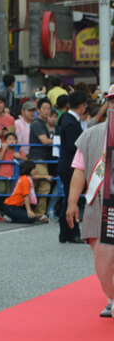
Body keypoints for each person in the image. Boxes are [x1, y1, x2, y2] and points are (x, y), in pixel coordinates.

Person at [65, 84, 114, 317]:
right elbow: (78, 170)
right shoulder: (91, 135)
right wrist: (72, 202)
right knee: (102, 259)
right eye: (112, 101)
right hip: (99, 205)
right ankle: (111, 296)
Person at [57, 91, 88, 243]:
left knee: (68, 200)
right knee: (71, 200)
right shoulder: (70, 122)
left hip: (68, 165)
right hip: (70, 166)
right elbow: (72, 146)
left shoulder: (68, 119)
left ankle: (66, 233)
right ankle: (71, 232)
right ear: (82, 106)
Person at [28, 98, 55, 218]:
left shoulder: (43, 124)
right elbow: (44, 141)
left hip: (43, 159)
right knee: (44, 186)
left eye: (48, 108)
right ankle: (39, 213)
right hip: (38, 159)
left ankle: (37, 212)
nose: (46, 111)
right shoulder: (37, 123)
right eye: (44, 108)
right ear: (38, 109)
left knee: (38, 186)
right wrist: (58, 141)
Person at [2, 160, 42, 224]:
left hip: (14, 206)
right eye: (34, 169)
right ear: (30, 170)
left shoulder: (23, 177)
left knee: (32, 210)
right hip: (12, 207)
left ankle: (13, 216)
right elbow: (26, 196)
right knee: (32, 219)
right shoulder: (25, 180)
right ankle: (12, 219)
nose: (35, 170)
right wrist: (29, 210)